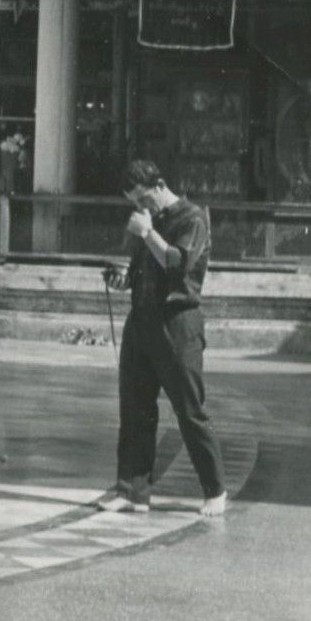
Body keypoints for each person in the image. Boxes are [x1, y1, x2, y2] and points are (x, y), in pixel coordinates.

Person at [100, 159, 228, 517]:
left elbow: (176, 264)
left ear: (158, 186)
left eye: (143, 200)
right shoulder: (148, 221)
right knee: (135, 408)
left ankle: (215, 488)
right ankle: (132, 490)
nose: (141, 209)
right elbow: (144, 266)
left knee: (189, 409)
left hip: (177, 323)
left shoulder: (193, 218)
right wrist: (123, 277)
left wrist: (147, 233)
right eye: (134, 204)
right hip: (141, 320)